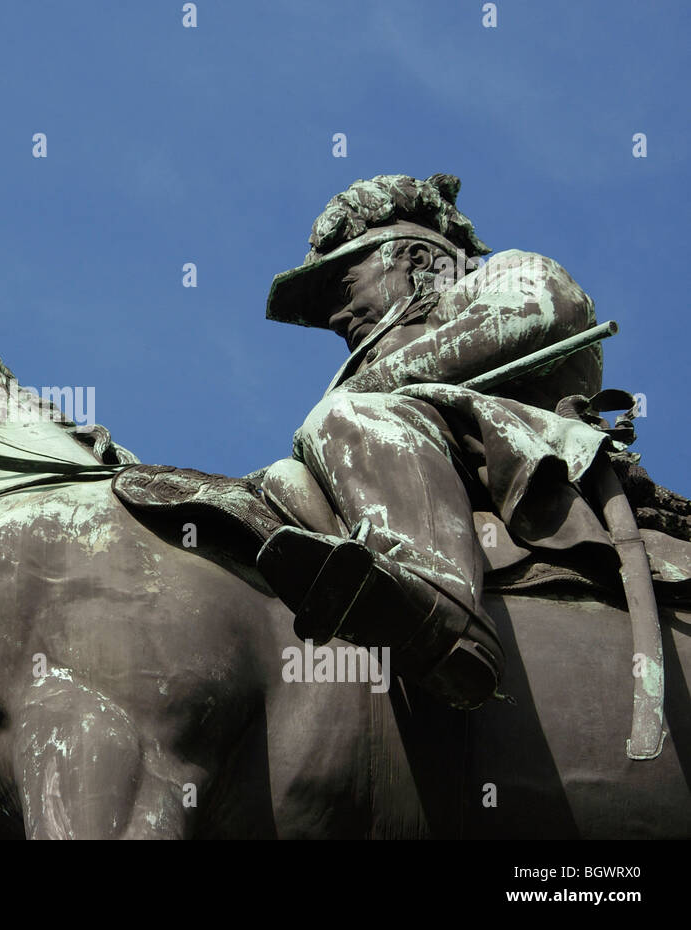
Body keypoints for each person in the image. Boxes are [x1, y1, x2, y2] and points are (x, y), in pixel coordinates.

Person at [255, 173, 620, 708]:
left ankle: (441, 608)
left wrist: (366, 387)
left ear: (417, 261)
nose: (336, 317)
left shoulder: (494, 276)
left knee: (349, 414)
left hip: (515, 456)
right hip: (408, 467)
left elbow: (547, 308)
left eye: (344, 287)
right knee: (281, 478)